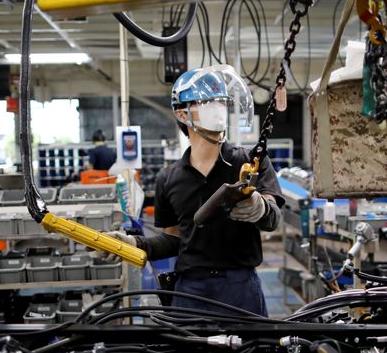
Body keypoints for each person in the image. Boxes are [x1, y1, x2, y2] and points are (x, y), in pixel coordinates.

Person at [108, 65, 283, 317]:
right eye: (207, 101)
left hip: (240, 288)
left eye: (221, 101)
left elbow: (273, 218)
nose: (218, 107)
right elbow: (174, 240)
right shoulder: (168, 178)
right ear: (181, 114)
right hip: (190, 291)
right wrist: (134, 243)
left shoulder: (250, 162)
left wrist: (261, 208)